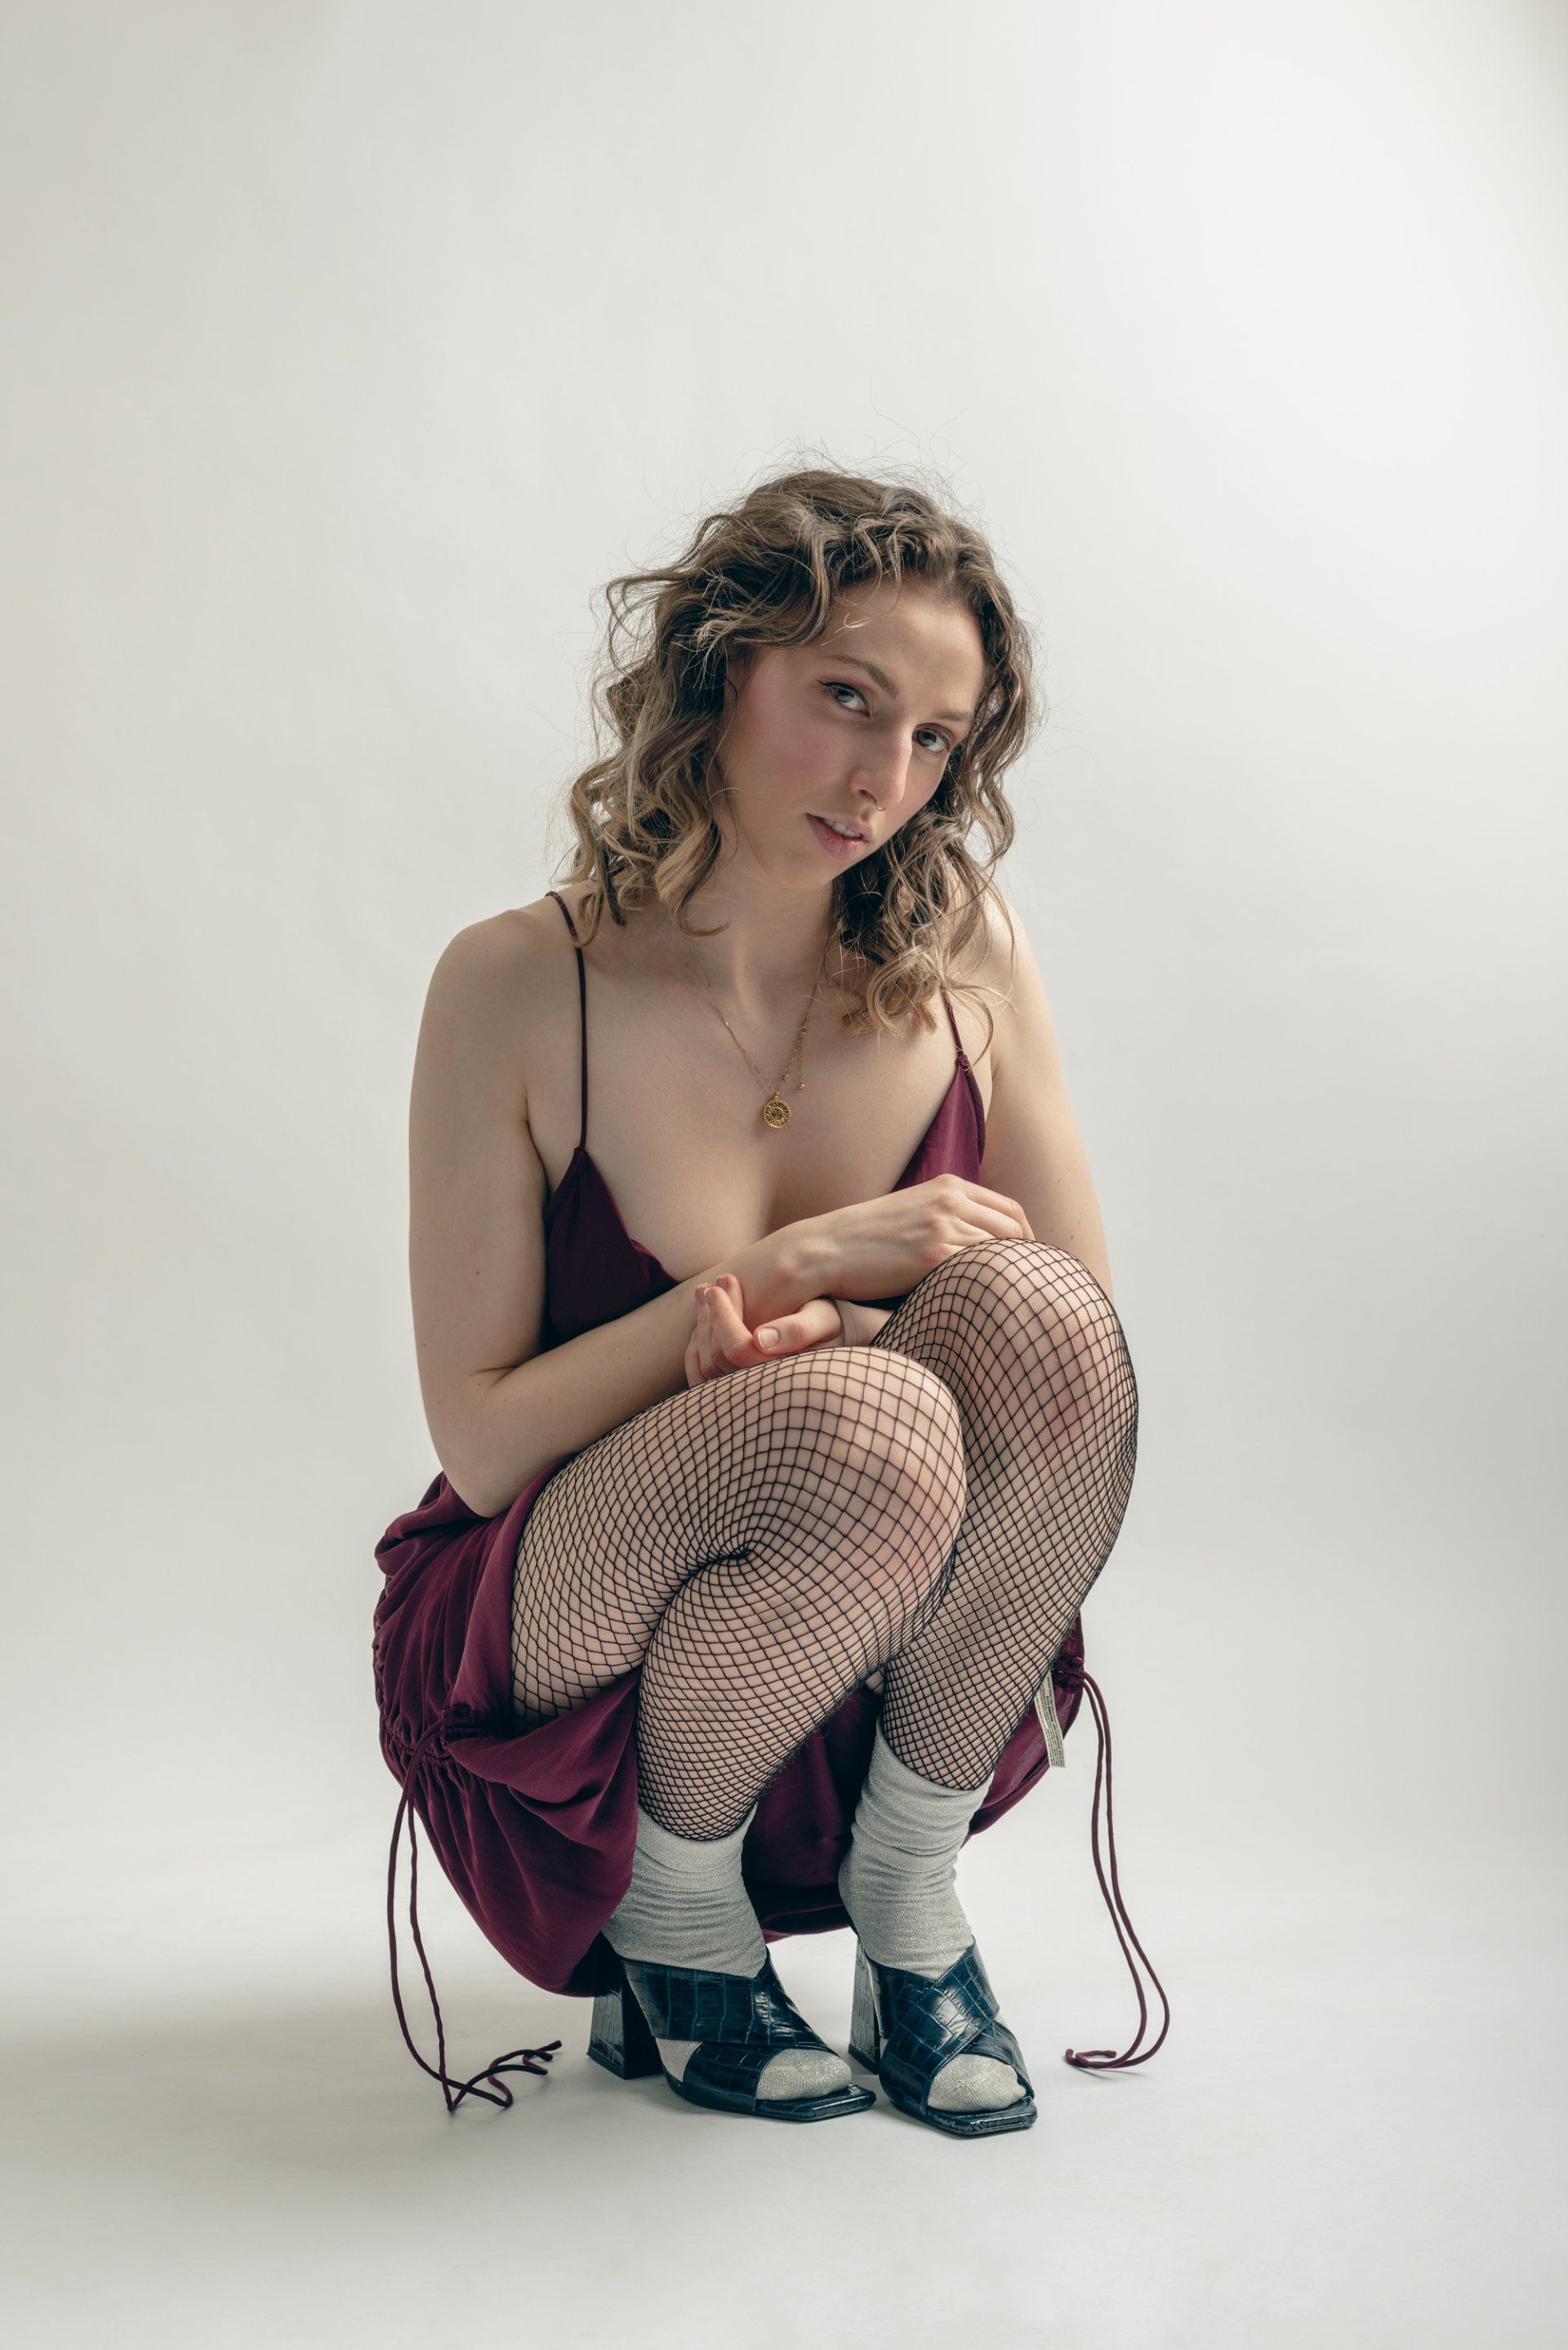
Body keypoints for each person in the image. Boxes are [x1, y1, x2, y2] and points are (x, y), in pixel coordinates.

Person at [373, 462, 1167, 2139]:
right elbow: (489, 1443)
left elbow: (1071, 1369)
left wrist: (862, 1339)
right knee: (863, 1419)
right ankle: (675, 1914)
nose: (886, 781)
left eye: (937, 737)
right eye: (847, 698)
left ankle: (907, 1884)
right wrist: (781, 1275)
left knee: (1030, 1332)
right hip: (563, 1611)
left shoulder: (968, 953)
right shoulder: (519, 982)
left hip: (874, 1604)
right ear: (722, 667)